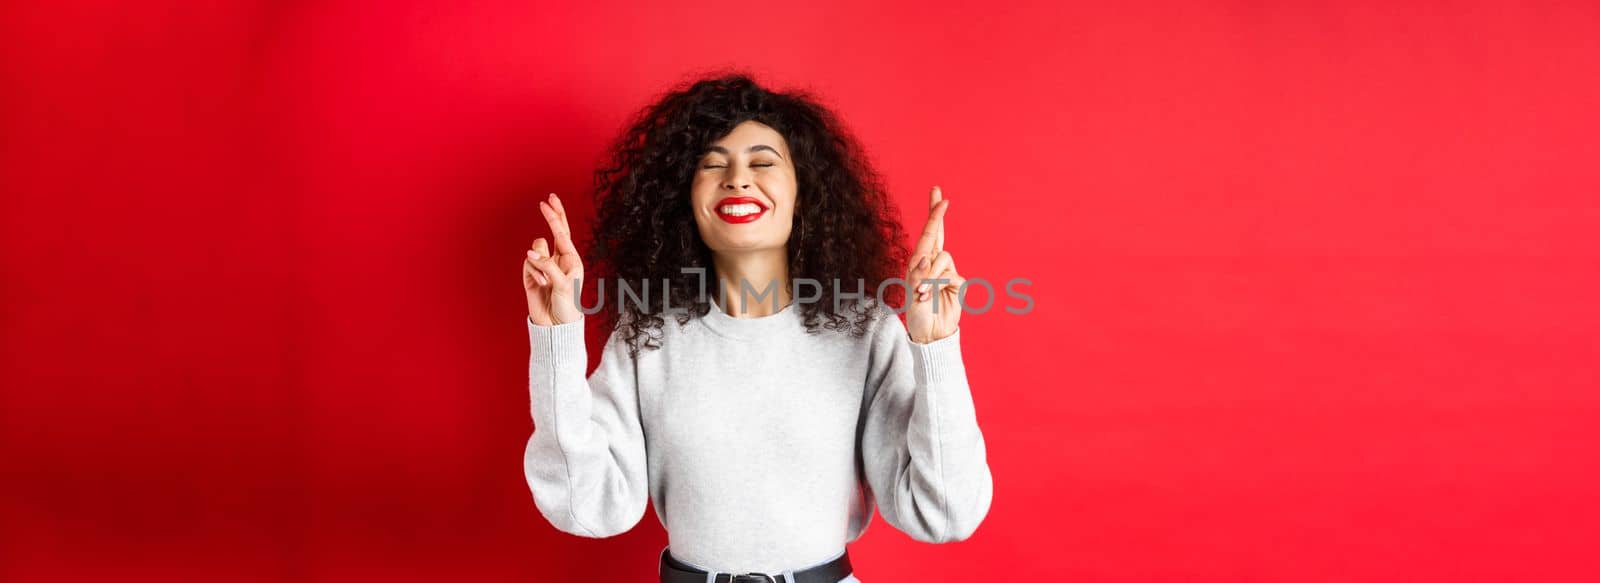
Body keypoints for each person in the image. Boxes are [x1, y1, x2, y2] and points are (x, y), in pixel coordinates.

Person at [520, 73, 993, 583]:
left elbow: (943, 512)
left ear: (803, 195)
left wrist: (936, 348)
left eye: (763, 162)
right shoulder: (649, 336)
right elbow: (585, 506)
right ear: (685, 200)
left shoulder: (866, 332)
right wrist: (557, 343)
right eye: (713, 165)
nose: (738, 179)